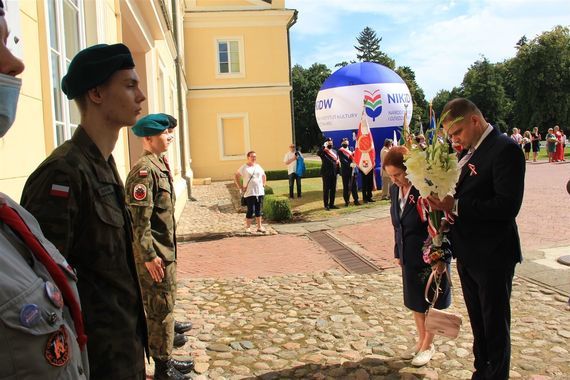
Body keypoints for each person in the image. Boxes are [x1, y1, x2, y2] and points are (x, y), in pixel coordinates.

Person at [20, 43, 148, 379]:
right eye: (130, 85)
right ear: (96, 93)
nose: (142, 95)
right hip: (92, 362)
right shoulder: (64, 173)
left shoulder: (104, 165)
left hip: (122, 351)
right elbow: (43, 288)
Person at [0, 2, 89, 377]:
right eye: (130, 84)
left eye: (8, 42)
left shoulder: (11, 215)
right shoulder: (62, 169)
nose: (15, 64)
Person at [427, 98, 525, 380]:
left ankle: (495, 374)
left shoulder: (505, 149)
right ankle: (481, 370)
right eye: (450, 136)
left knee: (494, 325)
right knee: (479, 323)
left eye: (457, 133)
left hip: (493, 253)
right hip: (468, 251)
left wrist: (454, 207)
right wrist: (447, 219)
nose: (455, 140)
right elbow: (465, 195)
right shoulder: (468, 153)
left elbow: (507, 206)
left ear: (474, 120)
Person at [125, 114, 194, 380]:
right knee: (158, 311)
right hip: (155, 256)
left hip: (165, 253)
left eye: (169, 133)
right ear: (148, 138)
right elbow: (139, 223)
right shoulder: (144, 171)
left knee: (164, 310)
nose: (170, 137)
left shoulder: (159, 165)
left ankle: (166, 359)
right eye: (165, 134)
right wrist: (149, 256)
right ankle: (163, 370)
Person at [384, 146, 451, 367]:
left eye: (397, 174)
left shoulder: (424, 188)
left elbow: (439, 224)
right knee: (415, 301)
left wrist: (439, 256)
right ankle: (421, 339)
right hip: (408, 254)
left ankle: (429, 344)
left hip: (430, 256)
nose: (394, 180)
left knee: (431, 301)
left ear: (409, 169)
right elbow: (398, 224)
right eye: (390, 176)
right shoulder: (395, 191)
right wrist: (398, 251)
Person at [235, 151, 267, 233]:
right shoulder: (244, 167)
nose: (254, 158)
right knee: (250, 210)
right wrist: (240, 187)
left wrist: (263, 184)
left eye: (255, 156)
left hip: (259, 192)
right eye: (252, 156)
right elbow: (236, 176)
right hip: (250, 192)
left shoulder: (258, 166)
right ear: (248, 157)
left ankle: (259, 227)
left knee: (258, 210)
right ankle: (248, 227)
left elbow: (263, 175)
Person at [317, 137, 339, 210]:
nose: (330, 143)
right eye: (329, 142)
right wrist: (323, 146)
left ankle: (332, 204)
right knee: (326, 189)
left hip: (334, 173)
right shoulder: (324, 151)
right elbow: (318, 153)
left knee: (333, 189)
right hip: (326, 173)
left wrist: (338, 172)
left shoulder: (335, 151)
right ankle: (326, 205)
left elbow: (337, 162)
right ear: (326, 143)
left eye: (331, 142)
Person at [338, 137, 360, 207]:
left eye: (346, 141)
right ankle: (347, 201)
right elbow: (343, 160)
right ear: (342, 143)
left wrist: (355, 163)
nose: (346, 143)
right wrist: (350, 164)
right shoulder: (340, 151)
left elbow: (356, 157)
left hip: (353, 170)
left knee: (354, 186)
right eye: (344, 142)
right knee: (346, 186)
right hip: (346, 171)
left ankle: (356, 200)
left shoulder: (351, 148)